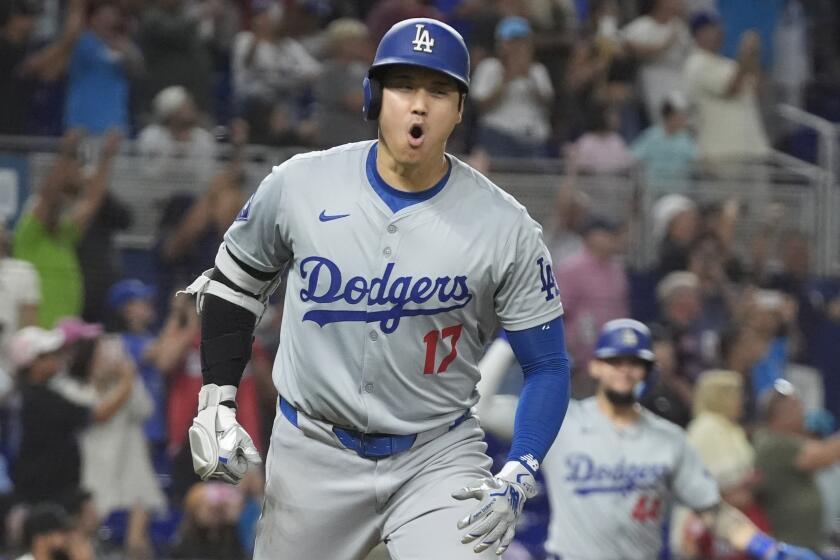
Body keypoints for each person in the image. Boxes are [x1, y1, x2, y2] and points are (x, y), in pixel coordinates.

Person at [181, 18, 571, 559]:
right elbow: (235, 283)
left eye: (438, 90)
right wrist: (218, 399)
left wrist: (523, 467)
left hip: (436, 454)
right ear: (373, 96)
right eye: (404, 86)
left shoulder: (505, 226)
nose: (419, 105)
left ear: (460, 109)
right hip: (311, 450)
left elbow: (548, 364)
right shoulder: (299, 184)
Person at [475, 318, 820, 559]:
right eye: (615, 360)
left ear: (648, 371)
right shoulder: (561, 421)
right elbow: (483, 407)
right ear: (596, 366)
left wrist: (768, 549)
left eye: (635, 362)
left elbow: (713, 513)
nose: (624, 370)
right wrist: (509, 342)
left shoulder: (669, 438)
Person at [13, 130, 121, 328]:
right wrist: (66, 153)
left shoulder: (64, 236)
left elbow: (92, 202)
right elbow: (49, 196)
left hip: (64, 338)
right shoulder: (28, 236)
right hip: (36, 338)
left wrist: (107, 157)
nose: (59, 209)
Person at [753, 379, 840, 550]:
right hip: (790, 543)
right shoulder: (773, 442)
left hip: (806, 543)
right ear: (780, 413)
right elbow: (823, 457)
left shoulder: (789, 440)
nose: (802, 411)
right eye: (796, 406)